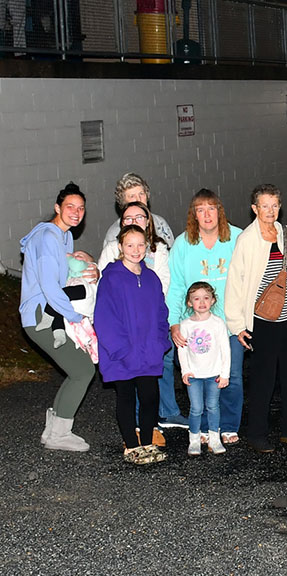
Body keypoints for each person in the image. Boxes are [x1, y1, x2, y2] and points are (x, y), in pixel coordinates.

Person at [225, 184, 287, 453]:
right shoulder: (247, 240)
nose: (270, 211)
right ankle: (256, 433)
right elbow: (236, 284)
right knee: (263, 380)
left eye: (274, 205)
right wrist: (237, 326)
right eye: (264, 206)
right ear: (254, 209)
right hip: (262, 322)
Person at [100, 173, 184, 431]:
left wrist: (160, 321)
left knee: (162, 364)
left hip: (151, 322)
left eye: (140, 197)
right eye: (130, 202)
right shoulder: (114, 242)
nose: (137, 205)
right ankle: (138, 425)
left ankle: (166, 414)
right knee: (130, 380)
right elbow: (105, 287)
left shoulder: (159, 236)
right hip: (127, 327)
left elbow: (165, 279)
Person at [20, 182, 98, 452]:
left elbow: (67, 274)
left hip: (53, 311)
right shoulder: (48, 237)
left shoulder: (63, 236)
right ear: (57, 208)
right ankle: (59, 434)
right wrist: (74, 316)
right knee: (83, 370)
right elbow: (49, 286)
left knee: (78, 369)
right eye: (70, 207)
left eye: (81, 208)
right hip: (42, 315)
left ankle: (54, 431)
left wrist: (92, 268)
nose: (76, 213)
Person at [166, 189, 244, 445]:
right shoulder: (183, 244)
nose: (207, 214)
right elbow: (176, 285)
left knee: (230, 375)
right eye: (200, 209)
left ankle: (228, 426)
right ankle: (204, 428)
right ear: (194, 215)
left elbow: (250, 278)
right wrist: (174, 322)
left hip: (231, 322)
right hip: (195, 324)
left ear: (219, 211)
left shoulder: (236, 238)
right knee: (198, 377)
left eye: (211, 208)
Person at [94, 225, 171, 465]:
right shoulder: (111, 279)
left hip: (148, 352)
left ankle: (147, 442)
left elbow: (161, 313)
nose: (136, 250)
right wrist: (121, 350)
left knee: (150, 397)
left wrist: (160, 343)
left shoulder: (151, 278)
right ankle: (131, 445)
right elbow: (105, 318)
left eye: (140, 245)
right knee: (126, 397)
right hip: (122, 354)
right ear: (120, 247)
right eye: (130, 245)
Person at [177, 281, 230, 456]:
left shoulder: (218, 323)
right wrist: (185, 371)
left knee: (213, 406)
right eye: (196, 298)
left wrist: (225, 374)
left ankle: (214, 438)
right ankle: (194, 439)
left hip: (214, 374)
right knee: (196, 408)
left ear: (213, 300)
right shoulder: (185, 325)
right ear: (189, 303)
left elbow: (225, 350)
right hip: (194, 375)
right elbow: (182, 350)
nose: (202, 302)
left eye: (206, 298)